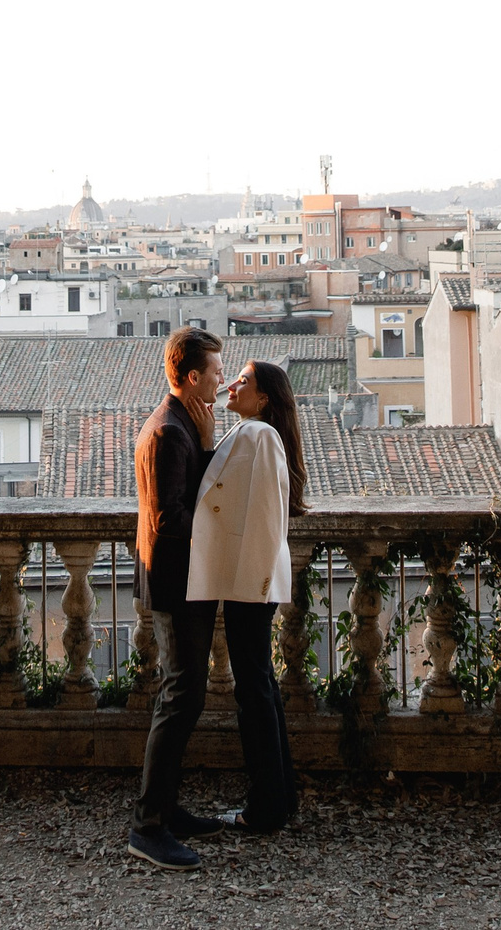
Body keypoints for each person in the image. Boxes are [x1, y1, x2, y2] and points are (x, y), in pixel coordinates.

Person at [186, 358, 309, 836]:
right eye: (233, 376)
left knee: (254, 691)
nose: (232, 384)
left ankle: (265, 810)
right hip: (251, 581)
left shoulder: (259, 436)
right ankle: (279, 797)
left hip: (250, 582)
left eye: (244, 381)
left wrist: (254, 586)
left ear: (264, 399)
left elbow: (261, 513)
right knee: (261, 688)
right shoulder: (255, 434)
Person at [128, 326, 225, 870]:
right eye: (214, 370)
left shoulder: (180, 422)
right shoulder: (171, 432)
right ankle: (148, 826)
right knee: (180, 698)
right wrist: (210, 451)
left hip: (179, 581)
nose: (221, 377)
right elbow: (172, 519)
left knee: (183, 698)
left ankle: (166, 809)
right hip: (176, 583)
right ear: (192, 377)